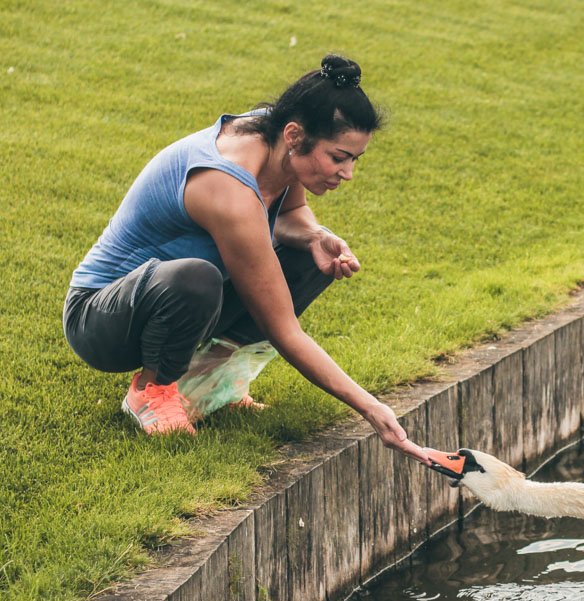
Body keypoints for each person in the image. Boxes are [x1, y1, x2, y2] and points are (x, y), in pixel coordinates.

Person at [63, 54, 429, 464]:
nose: (347, 174)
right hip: (101, 318)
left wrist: (314, 234)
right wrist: (371, 408)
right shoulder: (227, 187)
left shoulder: (276, 134)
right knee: (195, 278)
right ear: (295, 136)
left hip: (180, 303)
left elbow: (289, 215)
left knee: (310, 255)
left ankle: (216, 382)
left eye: (353, 160)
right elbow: (284, 330)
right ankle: (151, 390)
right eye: (338, 157)